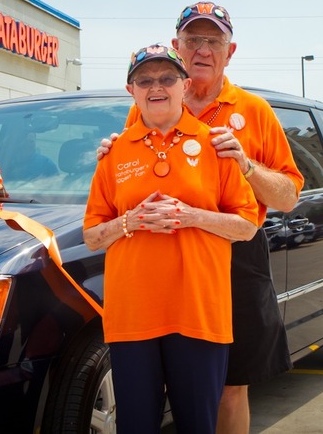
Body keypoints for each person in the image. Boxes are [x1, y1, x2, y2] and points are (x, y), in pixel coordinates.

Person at [97, 2, 305, 433]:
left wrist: (245, 164)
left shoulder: (255, 111)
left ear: (231, 51)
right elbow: (130, 166)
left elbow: (288, 196)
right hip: (164, 257)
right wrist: (110, 151)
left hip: (234, 254)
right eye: (193, 39)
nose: (203, 49)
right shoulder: (151, 101)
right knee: (162, 390)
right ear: (178, 46)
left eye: (214, 40)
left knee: (231, 385)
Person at [83, 44, 259, 433]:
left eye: (166, 78)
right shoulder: (114, 154)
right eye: (144, 80)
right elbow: (93, 236)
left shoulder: (216, 146)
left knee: (197, 424)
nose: (156, 87)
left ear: (183, 85)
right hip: (133, 318)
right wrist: (129, 221)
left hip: (198, 312)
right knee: (136, 426)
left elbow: (247, 225)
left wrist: (192, 216)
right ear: (132, 91)